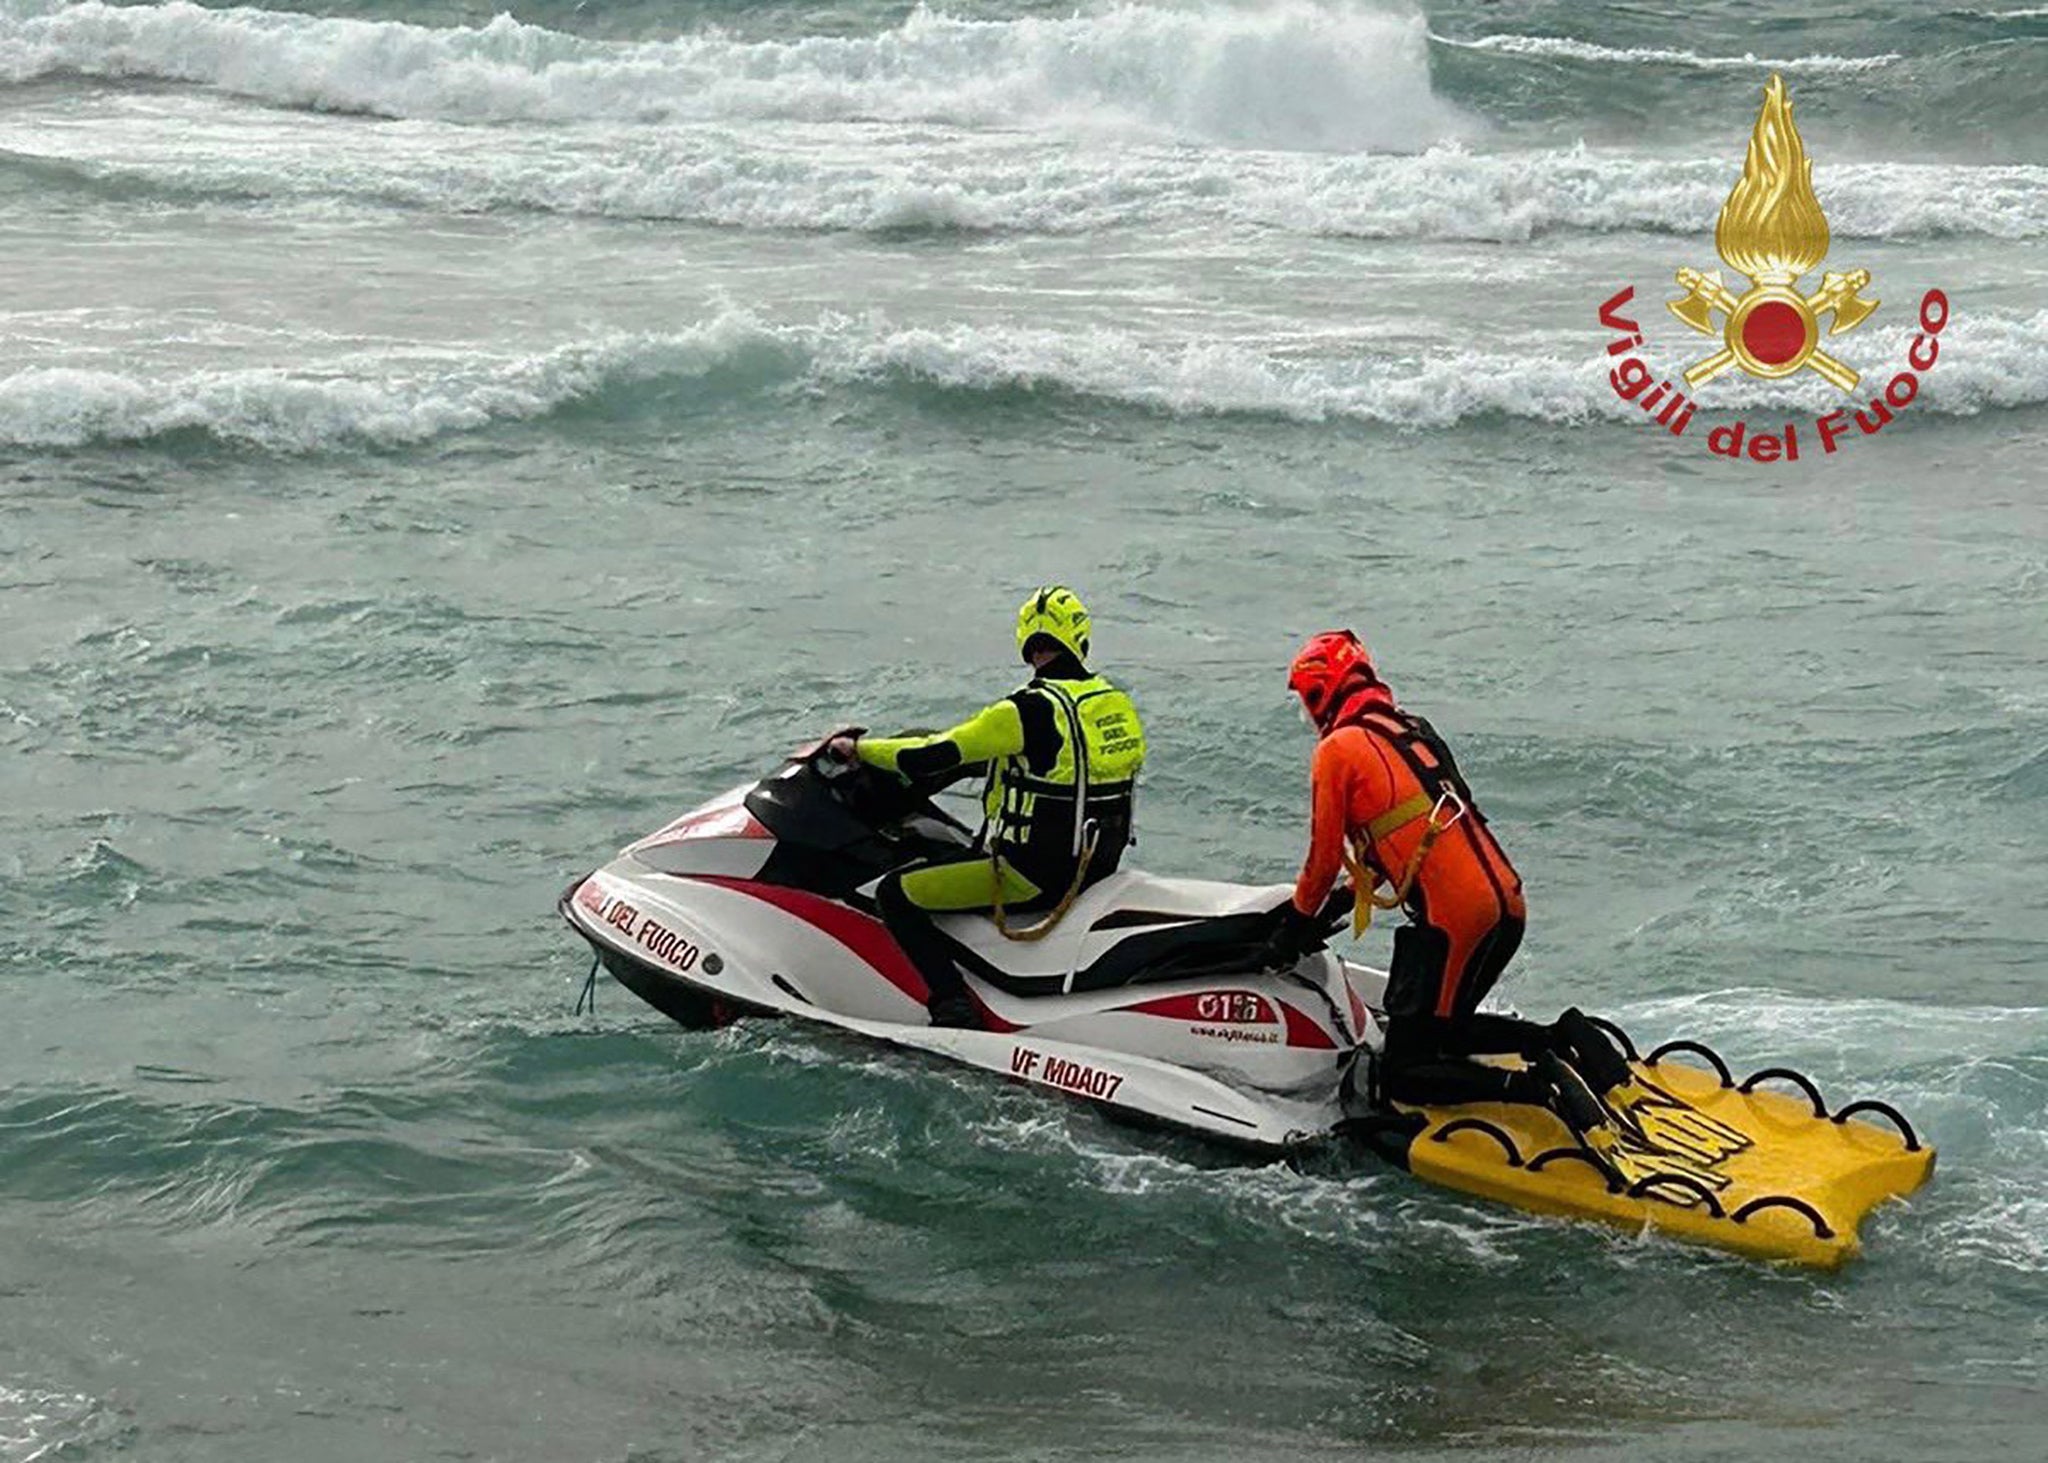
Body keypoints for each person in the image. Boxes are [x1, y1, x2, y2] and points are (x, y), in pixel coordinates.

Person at [1267, 630, 1632, 1142]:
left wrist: (1294, 927)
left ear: (1320, 693)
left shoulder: (1338, 750)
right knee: (1445, 1033)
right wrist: (1351, 894)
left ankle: (1537, 1089)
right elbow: (1415, 833)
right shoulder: (1412, 730)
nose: (1305, 716)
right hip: (1505, 902)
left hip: (1456, 918)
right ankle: (1564, 1037)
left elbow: (1322, 862)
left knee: (1405, 1073)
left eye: (1305, 700)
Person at [829, 587, 1147, 1029]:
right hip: (1095, 870)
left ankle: (951, 1004)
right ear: (1080, 639)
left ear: (1027, 643)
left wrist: (860, 749)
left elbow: (930, 755)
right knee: (943, 855)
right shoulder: (1114, 705)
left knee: (895, 894)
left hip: (1031, 879)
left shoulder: (1027, 710)